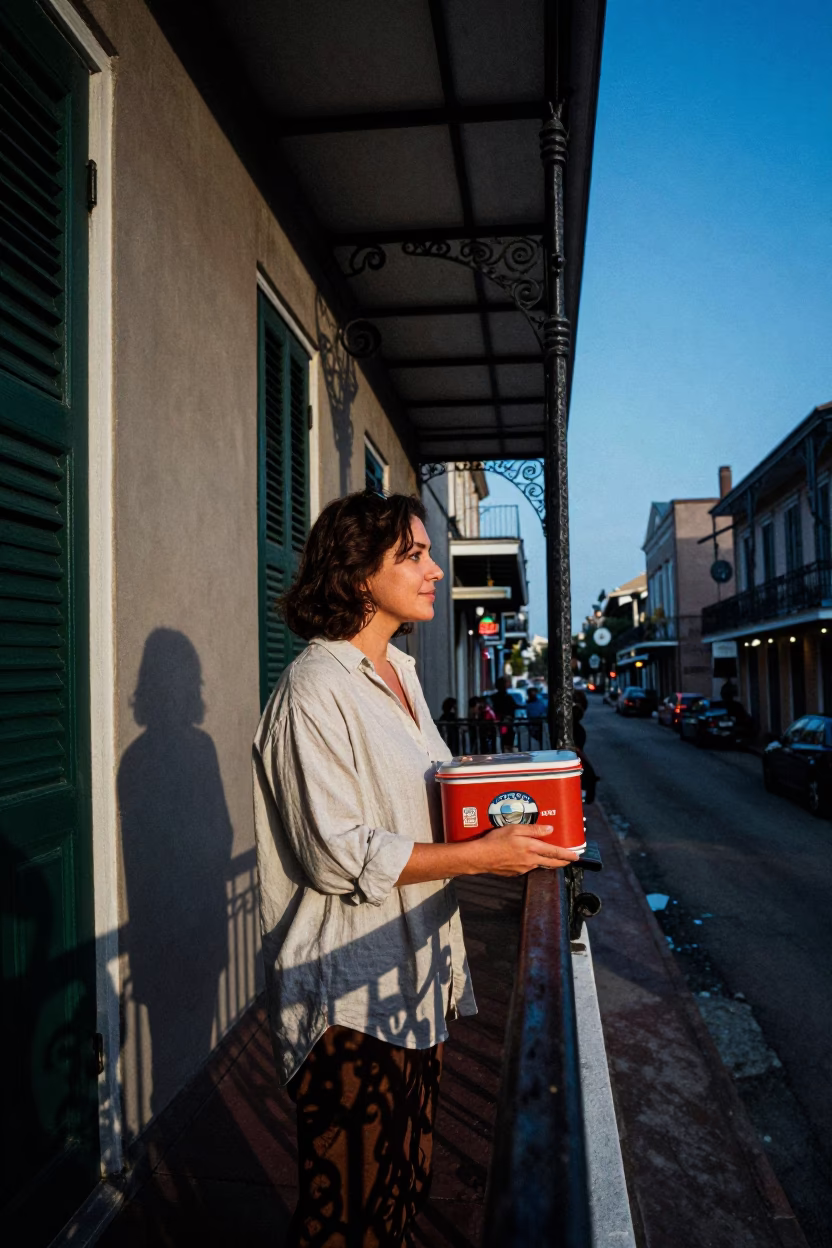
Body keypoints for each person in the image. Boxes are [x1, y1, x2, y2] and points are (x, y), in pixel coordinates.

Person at [252, 490, 580, 1247]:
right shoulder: (314, 689)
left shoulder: (399, 672)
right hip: (351, 1003)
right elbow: (337, 854)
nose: (436, 569)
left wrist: (515, 813)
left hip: (416, 981)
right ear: (360, 574)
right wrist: (479, 856)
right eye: (415, 555)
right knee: (348, 1220)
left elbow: (426, 797)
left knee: (401, 1197)